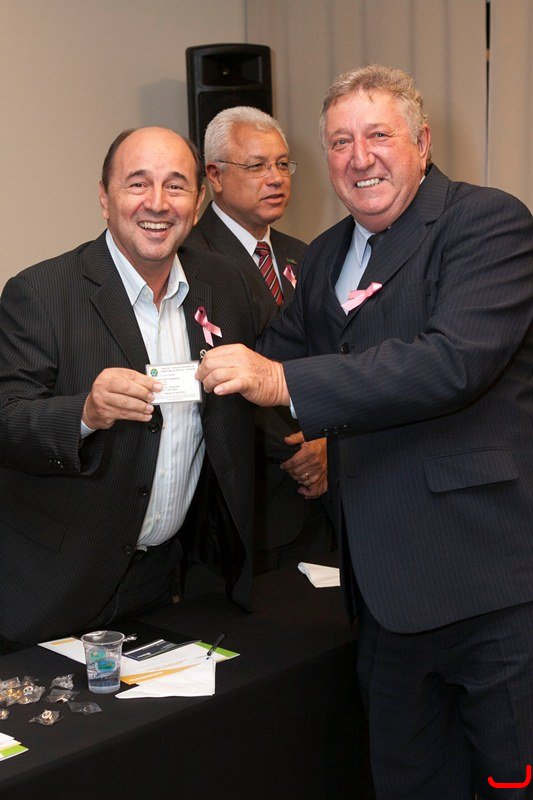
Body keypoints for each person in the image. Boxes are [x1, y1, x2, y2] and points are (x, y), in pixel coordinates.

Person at [197, 65, 533, 798]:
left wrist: (286, 383)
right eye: (340, 142)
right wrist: (167, 372)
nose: (359, 158)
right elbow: (268, 356)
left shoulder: (487, 222)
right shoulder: (324, 255)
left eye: (378, 135)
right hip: (380, 599)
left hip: (487, 589)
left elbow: (451, 363)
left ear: (422, 142)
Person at [0, 126, 272, 649]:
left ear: (198, 201)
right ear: (105, 198)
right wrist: (84, 413)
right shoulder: (40, 292)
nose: (158, 203)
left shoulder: (226, 285)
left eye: (176, 185)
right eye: (138, 183)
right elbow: (6, 420)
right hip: (53, 586)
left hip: (168, 583)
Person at [186, 106, 333, 573]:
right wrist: (299, 450)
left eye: (283, 164)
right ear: (214, 175)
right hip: (242, 497)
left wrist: (328, 442)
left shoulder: (306, 255)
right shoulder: (187, 257)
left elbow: (334, 358)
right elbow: (207, 375)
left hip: (323, 489)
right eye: (257, 166)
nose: (276, 178)